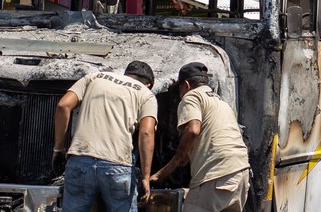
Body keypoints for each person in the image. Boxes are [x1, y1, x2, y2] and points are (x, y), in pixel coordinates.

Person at [53, 61, 157, 211]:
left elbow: (63, 106)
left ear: (126, 75)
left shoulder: (94, 77)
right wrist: (146, 178)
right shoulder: (145, 93)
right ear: (149, 85)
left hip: (80, 159)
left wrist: (58, 149)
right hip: (117, 166)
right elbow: (146, 132)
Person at [151, 62, 250, 212]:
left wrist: (179, 156)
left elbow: (192, 130)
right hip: (240, 171)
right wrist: (161, 175)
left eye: (179, 89)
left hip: (217, 173)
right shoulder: (219, 101)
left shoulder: (191, 97)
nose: (179, 94)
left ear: (185, 85)